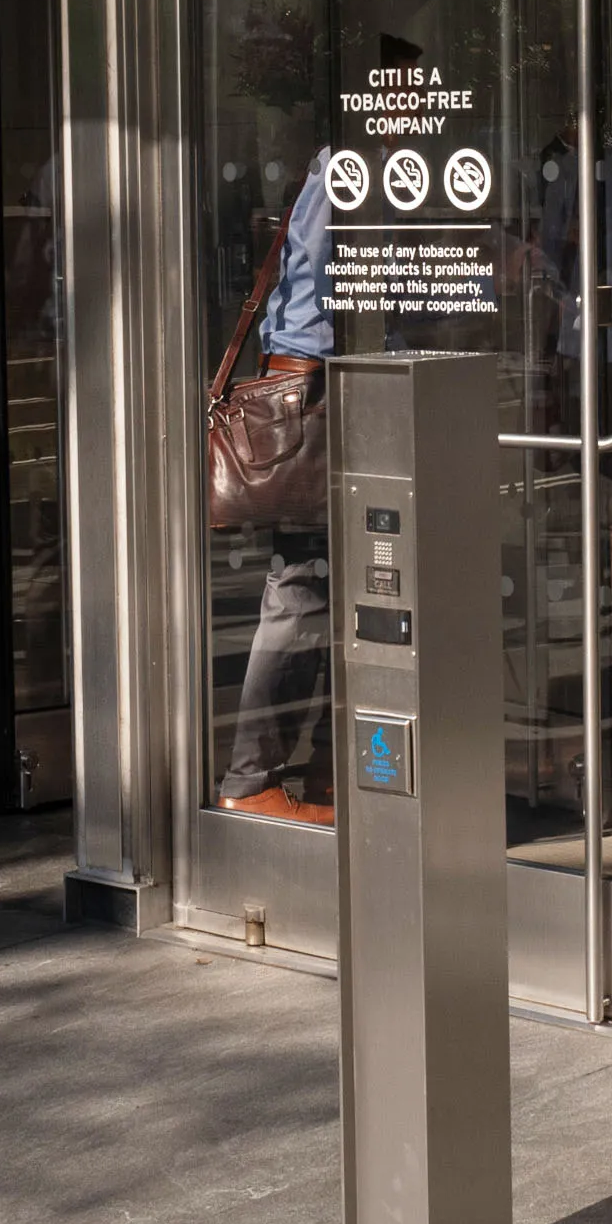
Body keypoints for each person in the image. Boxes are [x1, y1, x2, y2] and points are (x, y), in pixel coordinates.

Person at [215, 144, 337, 824]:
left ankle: (327, 774)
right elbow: (328, 282)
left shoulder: (341, 161)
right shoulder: (343, 163)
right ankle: (253, 778)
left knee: (334, 583)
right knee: (300, 585)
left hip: (321, 385)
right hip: (318, 392)